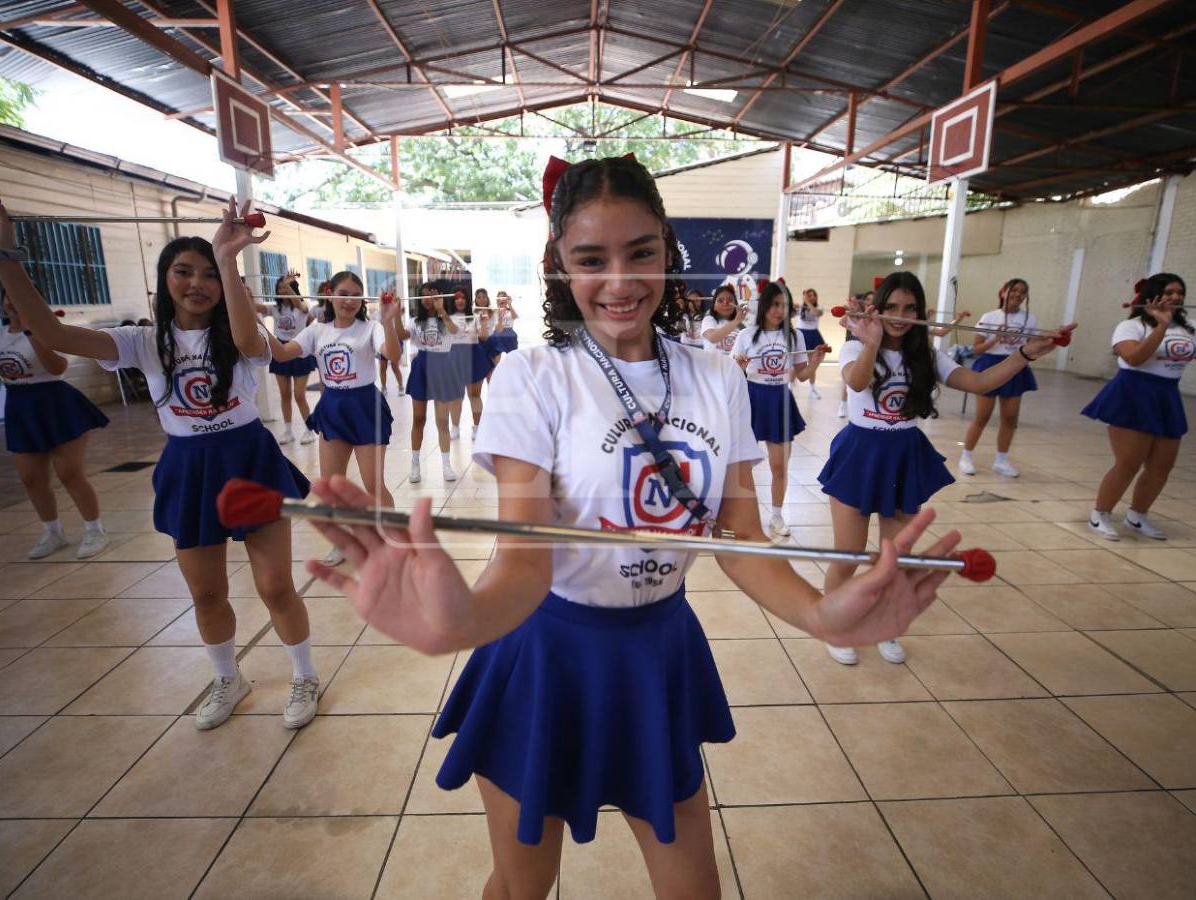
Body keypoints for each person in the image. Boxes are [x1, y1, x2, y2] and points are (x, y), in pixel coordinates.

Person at [304, 156, 962, 897]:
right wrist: (461, 622)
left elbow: (738, 542)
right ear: (558, 267)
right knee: (523, 887)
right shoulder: (535, 377)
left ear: (668, 249)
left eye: (640, 252)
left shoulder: (718, 377)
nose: (619, 281)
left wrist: (821, 613)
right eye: (591, 260)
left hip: (660, 654)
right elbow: (524, 563)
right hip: (544, 653)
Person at [0, 195, 320, 730]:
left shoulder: (242, 331)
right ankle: (227, 679)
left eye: (206, 274)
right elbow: (52, 336)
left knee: (275, 586)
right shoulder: (143, 342)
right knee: (206, 591)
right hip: (189, 469)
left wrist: (228, 257)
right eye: (182, 271)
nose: (197, 283)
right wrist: (7, 259)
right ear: (164, 279)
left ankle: (304, 674)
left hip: (248, 459)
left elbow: (245, 339)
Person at [818, 271, 1073, 666]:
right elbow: (856, 382)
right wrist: (869, 342)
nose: (901, 316)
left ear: (921, 312)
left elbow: (981, 382)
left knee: (896, 554)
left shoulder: (928, 356)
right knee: (849, 553)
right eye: (892, 307)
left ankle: (885, 625)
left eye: (910, 308)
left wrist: (1025, 354)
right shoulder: (855, 348)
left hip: (904, 453)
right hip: (860, 453)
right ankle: (834, 624)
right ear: (877, 309)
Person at [270, 270, 402, 566]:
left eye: (356, 295)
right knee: (331, 485)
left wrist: (390, 320)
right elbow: (281, 353)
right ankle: (343, 542)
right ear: (330, 293)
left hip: (365, 407)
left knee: (374, 484)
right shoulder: (317, 329)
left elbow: (392, 355)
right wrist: (252, 321)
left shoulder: (371, 328)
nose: (350, 300)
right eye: (344, 293)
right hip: (332, 407)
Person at [0, 291, 110, 560]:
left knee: (69, 472)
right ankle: (53, 532)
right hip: (20, 405)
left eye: (18, 296)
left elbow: (57, 367)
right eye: (7, 297)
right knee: (31, 478)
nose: (13, 301)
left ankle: (95, 529)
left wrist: (30, 332)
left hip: (55, 403)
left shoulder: (46, 332)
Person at [1082, 273, 1192, 540]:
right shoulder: (1131, 326)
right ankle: (1100, 515)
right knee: (1129, 463)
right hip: (1133, 393)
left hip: (1167, 395)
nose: (1176, 297)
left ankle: (1138, 516)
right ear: (1152, 296)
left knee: (1162, 465)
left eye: (1180, 292)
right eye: (1169, 292)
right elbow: (1134, 358)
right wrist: (1161, 326)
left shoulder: (1189, 327)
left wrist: (1171, 325)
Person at [732, 281, 826, 538]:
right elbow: (734, 373)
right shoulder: (746, 335)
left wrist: (815, 361)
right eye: (774, 304)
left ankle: (775, 514)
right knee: (742, 466)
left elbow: (802, 375)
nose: (779, 310)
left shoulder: (796, 336)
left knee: (779, 466)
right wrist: (739, 365)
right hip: (751, 398)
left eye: (784, 305)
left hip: (780, 400)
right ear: (764, 306)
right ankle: (740, 515)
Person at [959, 278, 1036, 477]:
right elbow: (976, 349)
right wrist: (996, 339)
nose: (1018, 295)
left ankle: (1001, 461)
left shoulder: (1030, 319)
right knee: (982, 417)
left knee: (1010, 418)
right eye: (1014, 290)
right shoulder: (990, 317)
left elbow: (1030, 346)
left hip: (1015, 366)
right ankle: (966, 457)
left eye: (1023, 292)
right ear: (1003, 292)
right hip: (990, 364)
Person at [396, 284, 462, 484]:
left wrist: (441, 310)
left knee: (442, 420)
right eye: (423, 296)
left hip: (442, 366)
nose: (426, 300)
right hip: (422, 366)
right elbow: (401, 336)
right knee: (418, 418)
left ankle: (446, 464)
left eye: (431, 296)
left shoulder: (449, 318)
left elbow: (455, 331)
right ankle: (415, 464)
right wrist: (395, 315)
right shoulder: (414, 321)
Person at [263, 270, 317, 446]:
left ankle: (309, 430)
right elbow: (253, 307)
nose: (282, 290)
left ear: (292, 288)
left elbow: (300, 305)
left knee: (299, 394)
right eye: (280, 288)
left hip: (299, 349)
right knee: (284, 394)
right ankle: (288, 431)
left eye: (285, 287)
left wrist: (288, 285)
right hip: (280, 348)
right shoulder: (275, 308)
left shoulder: (301, 307)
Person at [448, 288, 492, 440]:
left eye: (463, 298)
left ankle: (477, 427)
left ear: (467, 300)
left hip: (473, 355)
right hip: (455, 356)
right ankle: (455, 427)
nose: (460, 301)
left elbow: (484, 337)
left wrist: (484, 322)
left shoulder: (475, 317)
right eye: (457, 298)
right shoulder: (448, 318)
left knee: (474, 394)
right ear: (453, 301)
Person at [700, 284, 745, 355]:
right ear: (714, 306)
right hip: (712, 365)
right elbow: (713, 338)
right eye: (720, 301)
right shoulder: (709, 320)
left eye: (730, 300)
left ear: (736, 304)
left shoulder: (741, 326)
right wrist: (736, 321)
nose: (725, 303)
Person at [797, 287, 825, 399]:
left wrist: (807, 301)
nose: (812, 297)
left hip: (813, 335)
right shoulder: (799, 307)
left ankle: (812, 389)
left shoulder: (819, 307)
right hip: (801, 335)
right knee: (796, 362)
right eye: (810, 295)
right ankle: (789, 385)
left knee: (812, 363)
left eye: (814, 295)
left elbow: (816, 313)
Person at [486, 290, 519, 376]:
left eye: (503, 298)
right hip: (498, 334)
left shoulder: (510, 310)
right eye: (499, 298)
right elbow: (496, 328)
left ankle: (512, 375)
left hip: (509, 334)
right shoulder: (495, 311)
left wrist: (510, 304)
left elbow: (515, 317)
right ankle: (495, 375)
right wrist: (500, 317)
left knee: (512, 359)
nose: (501, 300)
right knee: (495, 359)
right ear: (497, 300)